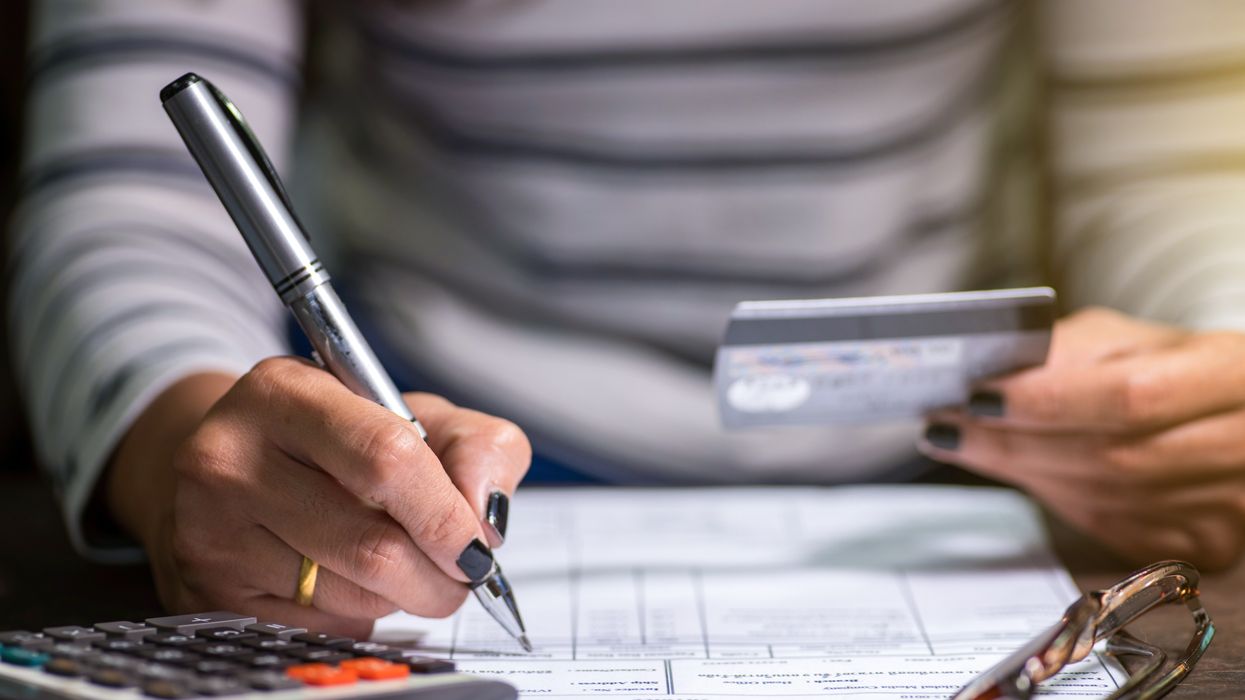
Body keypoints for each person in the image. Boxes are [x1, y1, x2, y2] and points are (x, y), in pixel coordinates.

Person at [11, 0, 1245, 637]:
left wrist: (1215, 360)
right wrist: (182, 449)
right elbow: (128, 192)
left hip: (972, 479)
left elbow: (1178, 153)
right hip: (411, 467)